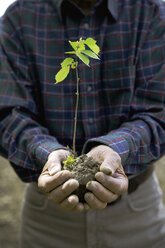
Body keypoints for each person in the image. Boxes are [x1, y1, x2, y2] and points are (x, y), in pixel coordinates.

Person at [0, 0, 165, 247]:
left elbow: (159, 111)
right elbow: (8, 113)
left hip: (137, 213)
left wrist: (114, 150)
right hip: (46, 216)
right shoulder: (19, 17)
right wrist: (49, 152)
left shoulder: (152, 14)